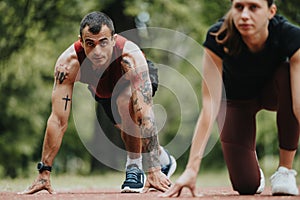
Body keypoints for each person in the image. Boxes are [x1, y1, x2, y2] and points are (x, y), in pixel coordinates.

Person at [20, 11, 176, 194]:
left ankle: (134, 168)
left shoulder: (131, 57)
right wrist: (44, 172)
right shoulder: (68, 64)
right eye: (90, 44)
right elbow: (57, 120)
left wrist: (153, 170)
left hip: (133, 81)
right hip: (104, 89)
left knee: (126, 103)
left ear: (113, 39)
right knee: (127, 131)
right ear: (81, 41)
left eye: (103, 42)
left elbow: (145, 114)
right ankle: (164, 158)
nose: (97, 51)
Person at [161, 0, 300, 197]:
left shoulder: (291, 36)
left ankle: (285, 171)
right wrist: (192, 169)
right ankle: (252, 170)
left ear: (271, 11)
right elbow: (210, 105)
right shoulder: (218, 37)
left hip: (274, 93)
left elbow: (299, 106)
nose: (244, 15)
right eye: (238, 7)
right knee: (246, 186)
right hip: (236, 101)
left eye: (253, 7)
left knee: (286, 74)